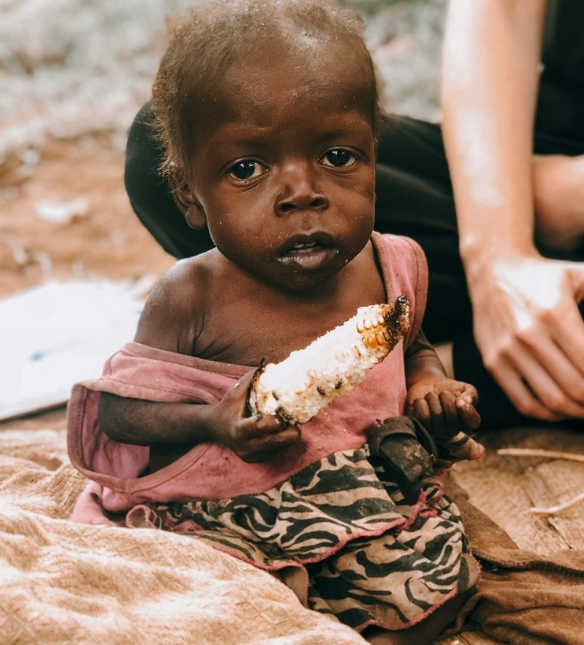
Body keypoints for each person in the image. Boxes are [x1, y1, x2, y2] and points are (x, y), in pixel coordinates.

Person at [123, 1, 584, 488]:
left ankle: (424, 374)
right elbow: (499, 11)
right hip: (529, 162)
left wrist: (581, 194)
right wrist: (499, 252)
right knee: (178, 141)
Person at [67, 2, 481, 642]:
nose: (302, 192)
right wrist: (213, 421)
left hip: (360, 495)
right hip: (231, 505)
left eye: (338, 156)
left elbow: (414, 345)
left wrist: (431, 386)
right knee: (212, 599)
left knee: (443, 582)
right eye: (247, 169)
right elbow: (123, 412)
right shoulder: (192, 296)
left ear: (376, 156)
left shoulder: (394, 265)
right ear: (188, 198)